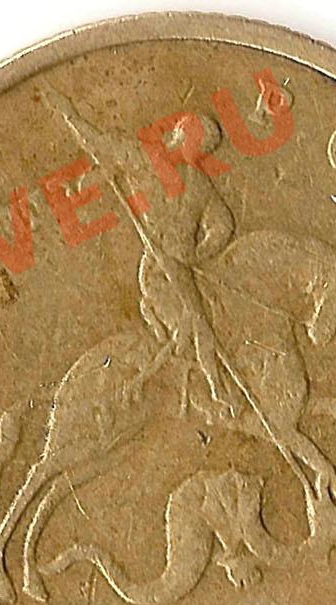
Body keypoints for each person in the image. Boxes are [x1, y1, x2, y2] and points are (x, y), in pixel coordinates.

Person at [39, 85, 241, 418]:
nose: (201, 153)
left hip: (183, 268)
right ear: (182, 137)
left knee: (211, 318)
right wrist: (69, 115)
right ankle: (210, 390)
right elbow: (100, 144)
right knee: (194, 323)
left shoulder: (198, 183)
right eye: (199, 144)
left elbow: (222, 225)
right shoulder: (147, 163)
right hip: (160, 269)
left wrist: (196, 255)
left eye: (205, 149)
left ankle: (209, 383)